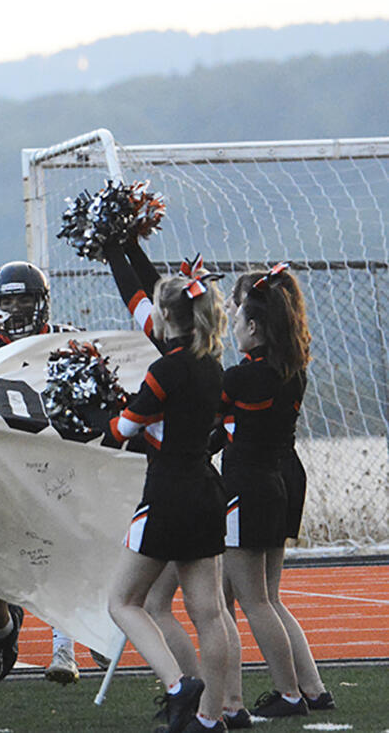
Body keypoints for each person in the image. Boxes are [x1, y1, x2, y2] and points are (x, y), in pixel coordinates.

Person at [100, 244, 231, 733]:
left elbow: (124, 430)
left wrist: (104, 413)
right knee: (209, 613)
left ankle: (179, 685)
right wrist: (125, 246)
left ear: (164, 317)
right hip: (205, 490)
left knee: (123, 602)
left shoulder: (164, 370)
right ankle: (211, 718)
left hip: (168, 495)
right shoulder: (211, 362)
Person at [0, 261, 98, 686]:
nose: (14, 308)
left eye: (23, 298)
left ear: (41, 302)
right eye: (5, 301)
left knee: (60, 554)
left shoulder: (67, 342)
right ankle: (2, 628)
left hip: (55, 461)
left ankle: (64, 650)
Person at [220, 268, 331, 719]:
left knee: (255, 600)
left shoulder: (244, 376)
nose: (231, 317)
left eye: (237, 310)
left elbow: (210, 418)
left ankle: (285, 693)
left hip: (249, 486)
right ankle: (310, 688)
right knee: (257, 596)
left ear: (255, 324)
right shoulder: (290, 366)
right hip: (278, 480)